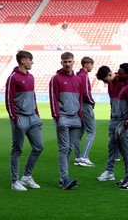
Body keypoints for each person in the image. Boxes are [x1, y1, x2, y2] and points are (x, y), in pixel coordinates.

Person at [6, 50, 44, 191]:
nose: (32, 62)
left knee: (39, 146)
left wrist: (37, 114)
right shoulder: (13, 78)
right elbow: (9, 101)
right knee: (17, 150)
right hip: (20, 119)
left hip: (32, 118)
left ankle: (27, 176)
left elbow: (33, 96)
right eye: (30, 59)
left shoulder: (31, 77)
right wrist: (15, 120)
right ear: (23, 61)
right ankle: (15, 182)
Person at [49, 52, 83, 190]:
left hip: (75, 119)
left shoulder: (78, 79)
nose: (67, 64)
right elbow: (53, 98)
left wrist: (80, 114)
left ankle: (63, 178)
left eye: (69, 61)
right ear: (61, 63)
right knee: (64, 149)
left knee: (69, 148)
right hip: (63, 118)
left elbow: (80, 98)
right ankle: (64, 178)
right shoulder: (55, 79)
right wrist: (57, 117)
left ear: (73, 62)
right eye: (65, 62)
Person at [96, 66, 124, 182]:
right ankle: (109, 172)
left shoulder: (123, 82)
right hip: (114, 119)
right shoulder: (110, 85)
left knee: (127, 148)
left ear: (109, 74)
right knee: (111, 146)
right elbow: (112, 103)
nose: (104, 82)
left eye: (104, 79)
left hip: (124, 120)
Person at [73, 57, 96, 167]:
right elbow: (86, 93)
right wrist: (92, 102)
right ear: (86, 64)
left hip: (78, 106)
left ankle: (77, 157)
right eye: (91, 64)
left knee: (79, 133)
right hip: (86, 105)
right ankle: (84, 157)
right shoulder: (84, 76)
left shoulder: (77, 76)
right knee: (92, 132)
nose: (92, 66)